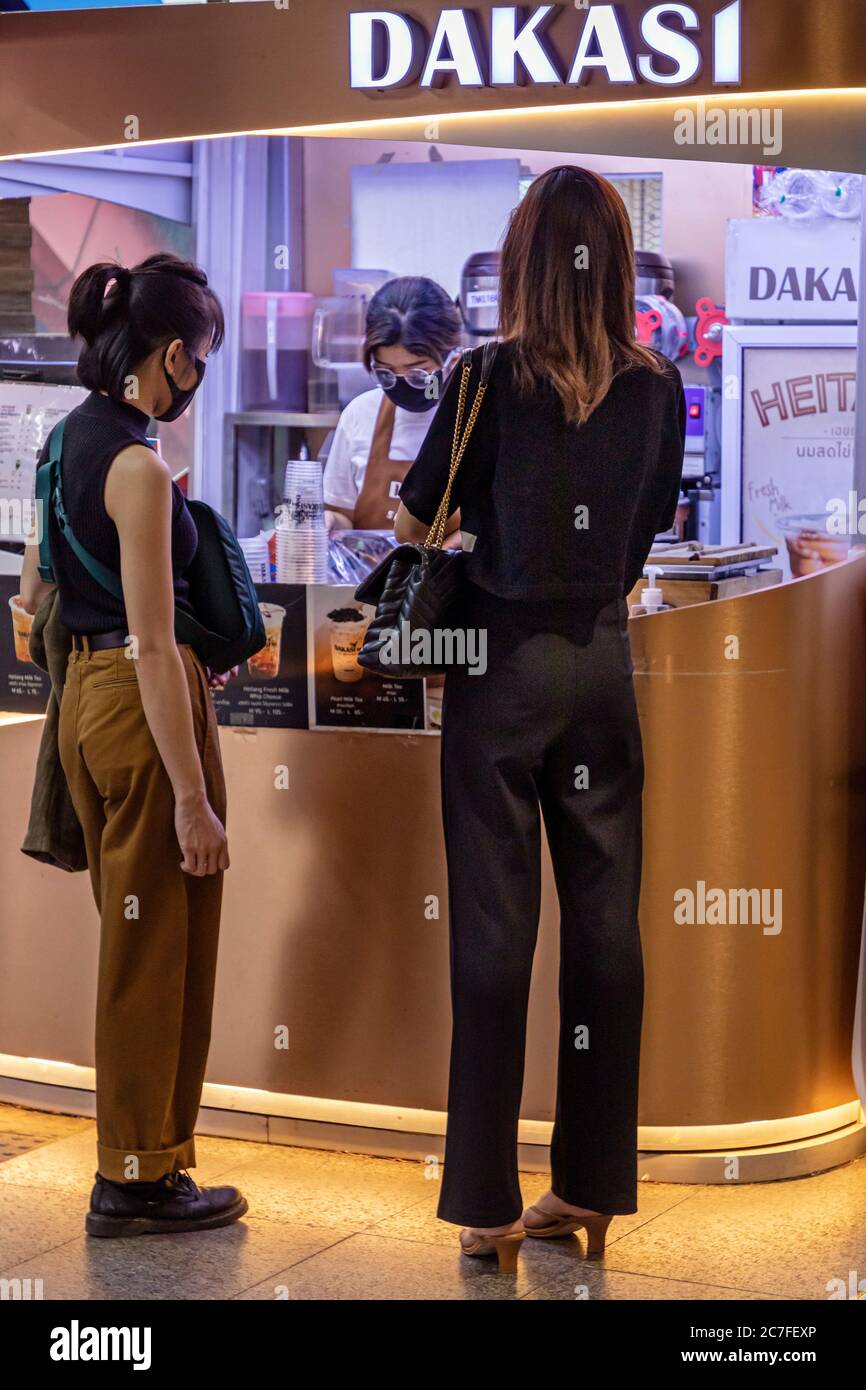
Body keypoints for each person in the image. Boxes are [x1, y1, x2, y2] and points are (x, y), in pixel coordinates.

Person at [395, 166, 686, 1272]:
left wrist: (484, 534)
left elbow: (415, 518)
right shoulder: (654, 389)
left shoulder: (480, 380)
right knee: (607, 930)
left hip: (498, 668)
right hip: (600, 664)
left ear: (518, 260)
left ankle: (484, 1203)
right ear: (616, 263)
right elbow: (640, 539)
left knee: (491, 930)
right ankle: (591, 1188)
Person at [20, 254, 248, 1238]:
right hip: (142, 703)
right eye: (198, 357)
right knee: (162, 945)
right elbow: (154, 643)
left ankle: (141, 1161)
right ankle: (137, 1174)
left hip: (87, 705)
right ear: (171, 356)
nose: (196, 378)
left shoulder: (58, 444)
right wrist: (194, 798)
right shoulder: (140, 469)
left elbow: (29, 606)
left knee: (135, 937)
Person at [323, 275, 463, 533]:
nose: (402, 385)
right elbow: (342, 517)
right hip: (376, 572)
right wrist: (327, 524)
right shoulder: (361, 414)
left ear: (452, 358)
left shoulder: (480, 419)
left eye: (418, 374)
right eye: (386, 373)